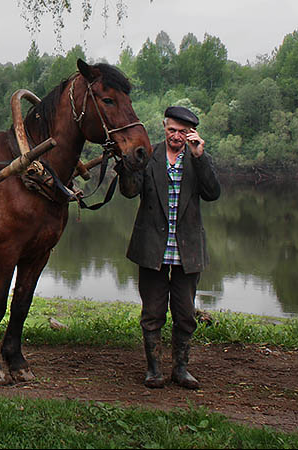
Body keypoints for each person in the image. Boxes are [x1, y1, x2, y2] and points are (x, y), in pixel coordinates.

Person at [117, 105, 221, 389]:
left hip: (186, 249)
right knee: (152, 312)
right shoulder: (148, 155)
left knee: (185, 313)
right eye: (172, 130)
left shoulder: (198, 158)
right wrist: (126, 167)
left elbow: (213, 193)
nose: (176, 136)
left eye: (182, 132)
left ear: (192, 134)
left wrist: (200, 157)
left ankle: (181, 369)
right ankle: (154, 370)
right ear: (164, 128)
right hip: (152, 247)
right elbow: (129, 192)